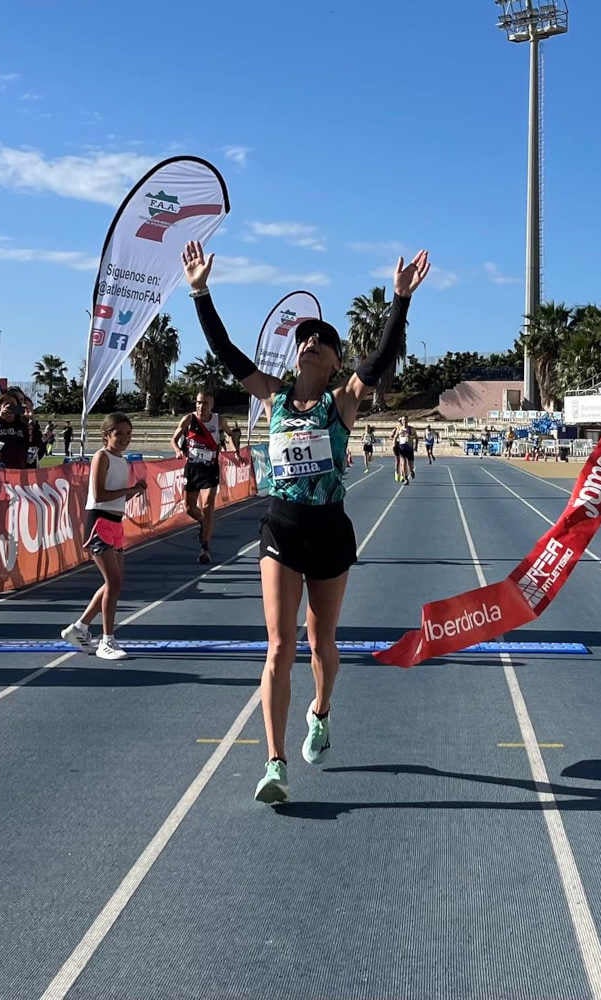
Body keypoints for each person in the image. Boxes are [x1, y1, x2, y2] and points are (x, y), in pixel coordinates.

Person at [182, 238, 430, 803]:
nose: (310, 342)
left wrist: (400, 300)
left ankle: (321, 711)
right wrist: (200, 292)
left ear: (337, 360)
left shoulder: (342, 402)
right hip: (281, 528)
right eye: (304, 338)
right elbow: (226, 353)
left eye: (321, 339)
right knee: (278, 647)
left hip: (329, 531)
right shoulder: (270, 396)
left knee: (322, 646)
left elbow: (380, 360)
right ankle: (274, 762)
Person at [61, 412, 147, 660]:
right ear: (106, 435)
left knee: (114, 582)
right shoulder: (102, 456)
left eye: (128, 434)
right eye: (119, 434)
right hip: (99, 523)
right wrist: (129, 490)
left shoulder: (123, 461)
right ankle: (107, 640)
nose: (124, 438)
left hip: (116, 524)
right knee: (114, 582)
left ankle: (80, 627)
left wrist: (134, 491)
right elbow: (99, 495)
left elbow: (118, 498)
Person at [171, 389, 241, 564]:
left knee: (208, 505)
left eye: (205, 403)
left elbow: (230, 435)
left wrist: (235, 452)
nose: (201, 406)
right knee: (189, 508)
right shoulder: (189, 419)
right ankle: (204, 522)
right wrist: (178, 450)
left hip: (210, 468)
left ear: (212, 405)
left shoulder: (219, 420)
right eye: (199, 402)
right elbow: (173, 439)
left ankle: (205, 547)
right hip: (192, 468)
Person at [392, 416, 416, 484]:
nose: (404, 421)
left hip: (409, 448)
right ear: (401, 421)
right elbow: (394, 437)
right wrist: (394, 444)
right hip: (402, 447)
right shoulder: (398, 428)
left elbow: (416, 437)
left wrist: (410, 437)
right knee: (403, 463)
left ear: (407, 421)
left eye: (405, 420)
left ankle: (411, 471)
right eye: (403, 420)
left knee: (410, 466)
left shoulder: (411, 428)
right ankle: (405, 478)